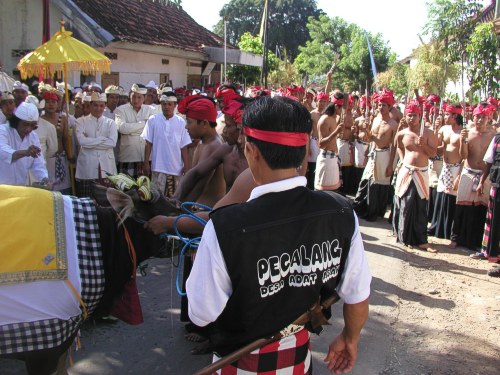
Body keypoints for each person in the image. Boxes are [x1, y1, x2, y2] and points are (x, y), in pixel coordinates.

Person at [186, 96, 371, 374]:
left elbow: (201, 314)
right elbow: (357, 294)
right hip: (297, 361)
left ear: (251, 151)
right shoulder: (341, 212)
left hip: (240, 364)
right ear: (303, 153)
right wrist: (350, 338)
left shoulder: (225, 227)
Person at [392, 100, 438, 252]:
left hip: (422, 172)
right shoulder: (402, 133)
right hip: (407, 171)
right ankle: (404, 236)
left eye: (414, 115)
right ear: (405, 116)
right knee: (405, 204)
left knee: (420, 206)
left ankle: (421, 239)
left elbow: (433, 154)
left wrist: (424, 145)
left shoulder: (429, 133)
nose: (412, 118)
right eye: (409, 115)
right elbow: (398, 146)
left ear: (420, 116)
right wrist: (402, 158)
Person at [451, 105, 495, 253]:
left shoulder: (493, 136)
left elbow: (491, 160)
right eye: (477, 117)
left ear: (488, 118)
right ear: (473, 117)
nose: (479, 120)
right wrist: (463, 141)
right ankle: (456, 237)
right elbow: (463, 156)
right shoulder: (468, 133)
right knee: (462, 206)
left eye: (483, 117)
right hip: (468, 172)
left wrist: (483, 180)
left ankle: (475, 240)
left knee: (480, 208)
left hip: (484, 175)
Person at [353, 92, 398, 221]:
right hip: (373, 153)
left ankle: (375, 211)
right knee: (365, 181)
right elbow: (370, 138)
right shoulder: (376, 119)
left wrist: (391, 165)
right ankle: (361, 208)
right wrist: (366, 131)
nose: (381, 107)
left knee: (379, 185)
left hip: (385, 156)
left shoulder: (393, 125)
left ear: (389, 107)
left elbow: (393, 146)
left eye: (384, 105)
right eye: (379, 105)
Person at [175, 94, 225, 207]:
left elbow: (199, 186)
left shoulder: (213, 145)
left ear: (204, 124)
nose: (186, 127)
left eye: (189, 122)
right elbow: (192, 176)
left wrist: (179, 209)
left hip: (206, 212)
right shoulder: (203, 142)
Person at [141, 91, 191, 197]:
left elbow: (184, 146)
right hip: (158, 167)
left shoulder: (181, 122)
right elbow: (148, 143)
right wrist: (146, 162)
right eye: (164, 104)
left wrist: (186, 166)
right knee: (156, 199)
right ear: (160, 104)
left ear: (175, 105)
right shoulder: (153, 120)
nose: (166, 107)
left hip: (176, 168)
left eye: (169, 104)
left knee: (174, 200)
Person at [428, 104, 464, 240]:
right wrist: (436, 130)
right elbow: (437, 149)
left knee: (450, 199)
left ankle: (448, 230)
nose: (444, 117)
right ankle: (437, 227)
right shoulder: (444, 129)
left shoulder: (463, 133)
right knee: (441, 197)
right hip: (444, 167)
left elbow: (465, 157)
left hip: (456, 168)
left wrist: (459, 176)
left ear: (455, 116)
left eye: (447, 115)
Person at [75, 92, 118, 197]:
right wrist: (102, 139)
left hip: (107, 166)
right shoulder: (80, 121)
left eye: (101, 105)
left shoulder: (111, 123)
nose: (98, 108)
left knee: (107, 201)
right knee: (87, 200)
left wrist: (90, 141)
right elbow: (82, 141)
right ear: (90, 105)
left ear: (105, 106)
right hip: (87, 166)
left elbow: (112, 142)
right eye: (95, 105)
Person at [0, 102, 49, 186]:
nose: (28, 129)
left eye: (32, 125)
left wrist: (44, 179)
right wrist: (25, 153)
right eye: (25, 124)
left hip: (21, 187)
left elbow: (38, 163)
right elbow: (3, 151)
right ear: (16, 121)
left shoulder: (33, 136)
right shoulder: (3, 130)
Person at [115, 83, 156, 178]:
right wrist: (144, 124)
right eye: (133, 96)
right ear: (130, 95)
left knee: (146, 191)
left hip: (146, 158)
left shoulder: (151, 110)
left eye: (139, 97)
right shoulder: (121, 110)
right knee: (127, 191)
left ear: (145, 97)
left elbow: (152, 130)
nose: (136, 100)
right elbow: (122, 128)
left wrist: (131, 130)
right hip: (128, 157)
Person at [40, 90, 72, 193]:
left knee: (64, 189)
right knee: (49, 188)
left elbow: (66, 138)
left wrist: (70, 155)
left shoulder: (62, 118)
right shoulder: (39, 120)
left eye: (53, 102)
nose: (51, 104)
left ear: (57, 103)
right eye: (48, 101)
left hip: (61, 158)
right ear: (44, 103)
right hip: (47, 159)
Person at [478, 133, 500, 276]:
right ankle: (492, 253)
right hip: (497, 185)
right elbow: (489, 161)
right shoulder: (497, 138)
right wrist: (481, 181)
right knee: (495, 221)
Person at [314, 93, 344, 191]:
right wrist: (336, 132)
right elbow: (321, 143)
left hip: (332, 159)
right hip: (326, 160)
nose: (342, 110)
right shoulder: (325, 120)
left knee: (333, 191)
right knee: (324, 193)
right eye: (341, 108)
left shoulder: (333, 119)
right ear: (336, 106)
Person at [307, 91, 329, 189]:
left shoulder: (328, 115)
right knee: (312, 166)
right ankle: (311, 187)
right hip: (314, 142)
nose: (322, 103)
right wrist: (307, 147)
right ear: (316, 101)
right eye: (321, 101)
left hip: (324, 143)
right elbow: (307, 132)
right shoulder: (312, 114)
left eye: (324, 101)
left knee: (322, 166)